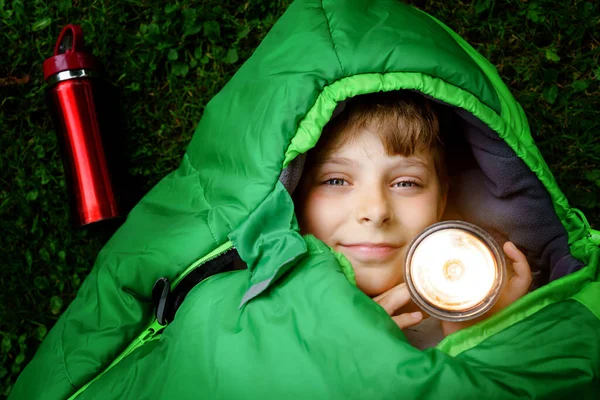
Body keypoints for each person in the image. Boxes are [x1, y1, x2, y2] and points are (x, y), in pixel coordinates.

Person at [293, 90, 533, 347]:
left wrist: (483, 336)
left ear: (442, 199)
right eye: (336, 180)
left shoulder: (498, 318)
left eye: (406, 183)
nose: (376, 212)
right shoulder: (258, 315)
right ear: (293, 195)